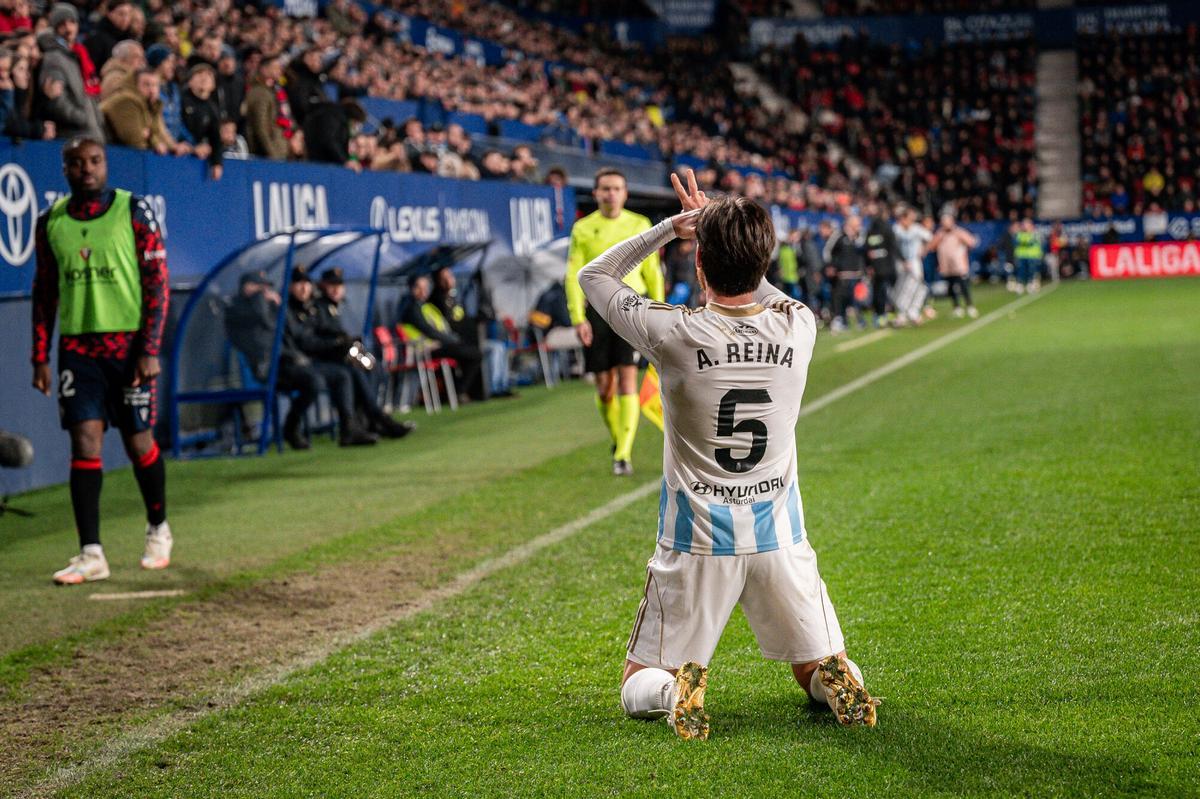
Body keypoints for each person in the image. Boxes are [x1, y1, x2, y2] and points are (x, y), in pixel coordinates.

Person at [579, 169, 878, 740]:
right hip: (778, 534)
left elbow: (596, 275)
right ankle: (841, 681)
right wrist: (728, 232)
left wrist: (672, 227)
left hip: (696, 539)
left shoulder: (673, 332)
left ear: (698, 266)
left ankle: (673, 690)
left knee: (637, 678)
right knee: (812, 664)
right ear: (765, 261)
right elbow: (758, 284)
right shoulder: (799, 325)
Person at [31, 137, 172, 585]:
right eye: (77, 163)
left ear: (105, 164)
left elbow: (158, 283)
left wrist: (150, 348)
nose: (86, 169)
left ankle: (158, 528)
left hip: (129, 347)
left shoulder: (133, 210)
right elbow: (45, 293)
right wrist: (40, 356)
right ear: (65, 170)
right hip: (79, 349)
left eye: (94, 161)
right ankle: (92, 553)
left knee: (137, 443)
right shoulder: (50, 222)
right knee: (85, 441)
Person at [565, 167, 664, 476]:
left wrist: (657, 311)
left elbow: (652, 272)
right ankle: (618, 439)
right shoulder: (583, 228)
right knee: (604, 387)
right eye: (605, 188)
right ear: (596, 193)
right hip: (597, 311)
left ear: (625, 193)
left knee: (626, 378)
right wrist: (577, 317)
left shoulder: (640, 224)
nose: (611, 194)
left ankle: (623, 454)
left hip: (632, 307)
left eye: (617, 188)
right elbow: (572, 274)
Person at [312, 267, 415, 438]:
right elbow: (321, 338)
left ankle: (370, 420)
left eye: (339, 285)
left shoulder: (335, 307)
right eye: (331, 285)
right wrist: (341, 342)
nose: (336, 289)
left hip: (341, 356)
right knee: (356, 372)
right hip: (328, 360)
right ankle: (375, 418)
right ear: (323, 286)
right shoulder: (319, 307)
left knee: (373, 368)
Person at [225, 270, 322, 451]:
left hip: (282, 363)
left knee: (318, 378)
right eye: (260, 287)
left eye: (265, 288)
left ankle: (293, 428)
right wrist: (261, 299)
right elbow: (262, 327)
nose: (265, 292)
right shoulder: (237, 308)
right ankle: (291, 429)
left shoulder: (270, 307)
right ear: (247, 287)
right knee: (312, 381)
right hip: (264, 369)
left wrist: (279, 306)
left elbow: (289, 331)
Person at [285, 266, 377, 447]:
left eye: (306, 283)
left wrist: (343, 340)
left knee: (367, 368)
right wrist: (335, 344)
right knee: (341, 374)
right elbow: (305, 341)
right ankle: (292, 428)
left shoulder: (310, 308)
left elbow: (324, 333)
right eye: (298, 283)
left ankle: (362, 422)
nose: (304, 288)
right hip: (298, 363)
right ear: (289, 287)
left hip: (312, 361)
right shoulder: (289, 310)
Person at [399, 274, 485, 402]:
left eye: (425, 287)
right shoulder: (412, 308)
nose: (423, 291)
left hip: (436, 346)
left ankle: (458, 391)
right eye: (419, 287)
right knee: (473, 354)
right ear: (412, 288)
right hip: (423, 350)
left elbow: (441, 328)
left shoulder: (425, 306)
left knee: (472, 352)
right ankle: (459, 392)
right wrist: (452, 340)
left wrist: (452, 339)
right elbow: (429, 331)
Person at [35, 5, 105, 142]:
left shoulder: (80, 55)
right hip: (73, 137)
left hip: (92, 134)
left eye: (72, 22)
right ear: (55, 28)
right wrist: (83, 118)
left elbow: (91, 95)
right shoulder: (54, 57)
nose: (68, 28)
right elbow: (56, 99)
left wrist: (98, 121)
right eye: (62, 24)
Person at [822, 213, 866, 333]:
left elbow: (863, 252)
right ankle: (839, 320)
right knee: (840, 299)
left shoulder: (859, 237)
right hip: (842, 275)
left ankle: (857, 321)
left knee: (856, 301)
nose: (859, 226)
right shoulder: (839, 235)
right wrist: (830, 266)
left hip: (856, 274)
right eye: (857, 224)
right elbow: (827, 250)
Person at [930, 214, 979, 318]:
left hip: (959, 266)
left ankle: (970, 306)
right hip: (946, 267)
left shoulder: (959, 232)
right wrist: (939, 239)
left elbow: (972, 242)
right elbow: (932, 246)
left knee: (964, 286)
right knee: (951, 288)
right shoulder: (940, 234)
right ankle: (957, 307)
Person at [892, 205, 931, 326]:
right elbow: (893, 245)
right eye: (909, 218)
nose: (911, 220)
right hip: (901, 263)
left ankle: (914, 311)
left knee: (920, 288)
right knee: (904, 288)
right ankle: (902, 314)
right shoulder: (896, 229)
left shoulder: (916, 228)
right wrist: (902, 260)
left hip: (914, 262)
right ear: (903, 218)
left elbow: (930, 238)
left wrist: (924, 249)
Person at [864, 201, 899, 327]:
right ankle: (885, 314)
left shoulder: (874, 230)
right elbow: (893, 248)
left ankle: (882, 315)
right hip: (884, 267)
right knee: (884, 292)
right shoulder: (884, 229)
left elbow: (868, 250)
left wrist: (869, 265)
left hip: (880, 268)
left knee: (881, 292)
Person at [1012, 217, 1043, 294]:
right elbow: (1017, 242)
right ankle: (1020, 285)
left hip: (1032, 256)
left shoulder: (1035, 233)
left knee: (1031, 271)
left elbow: (1033, 243)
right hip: (1021, 255)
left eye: (1026, 224)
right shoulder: (1019, 234)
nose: (1025, 226)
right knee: (1021, 271)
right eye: (1024, 224)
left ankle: (1031, 284)